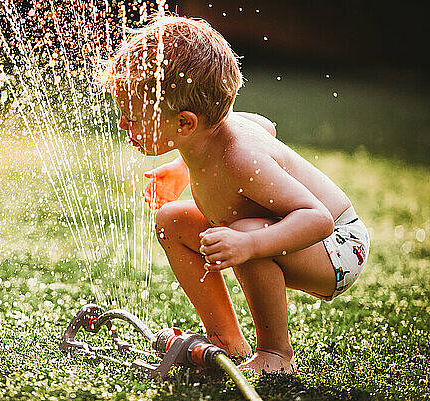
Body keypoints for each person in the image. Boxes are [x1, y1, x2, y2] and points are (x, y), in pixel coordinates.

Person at [99, 15, 369, 374]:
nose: (122, 124)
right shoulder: (211, 134)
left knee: (244, 233)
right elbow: (264, 125)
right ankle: (226, 339)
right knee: (171, 221)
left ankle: (276, 353)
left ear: (184, 123)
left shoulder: (239, 161)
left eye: (132, 117)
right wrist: (182, 170)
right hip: (298, 235)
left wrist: (251, 246)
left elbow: (317, 218)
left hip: (338, 247)